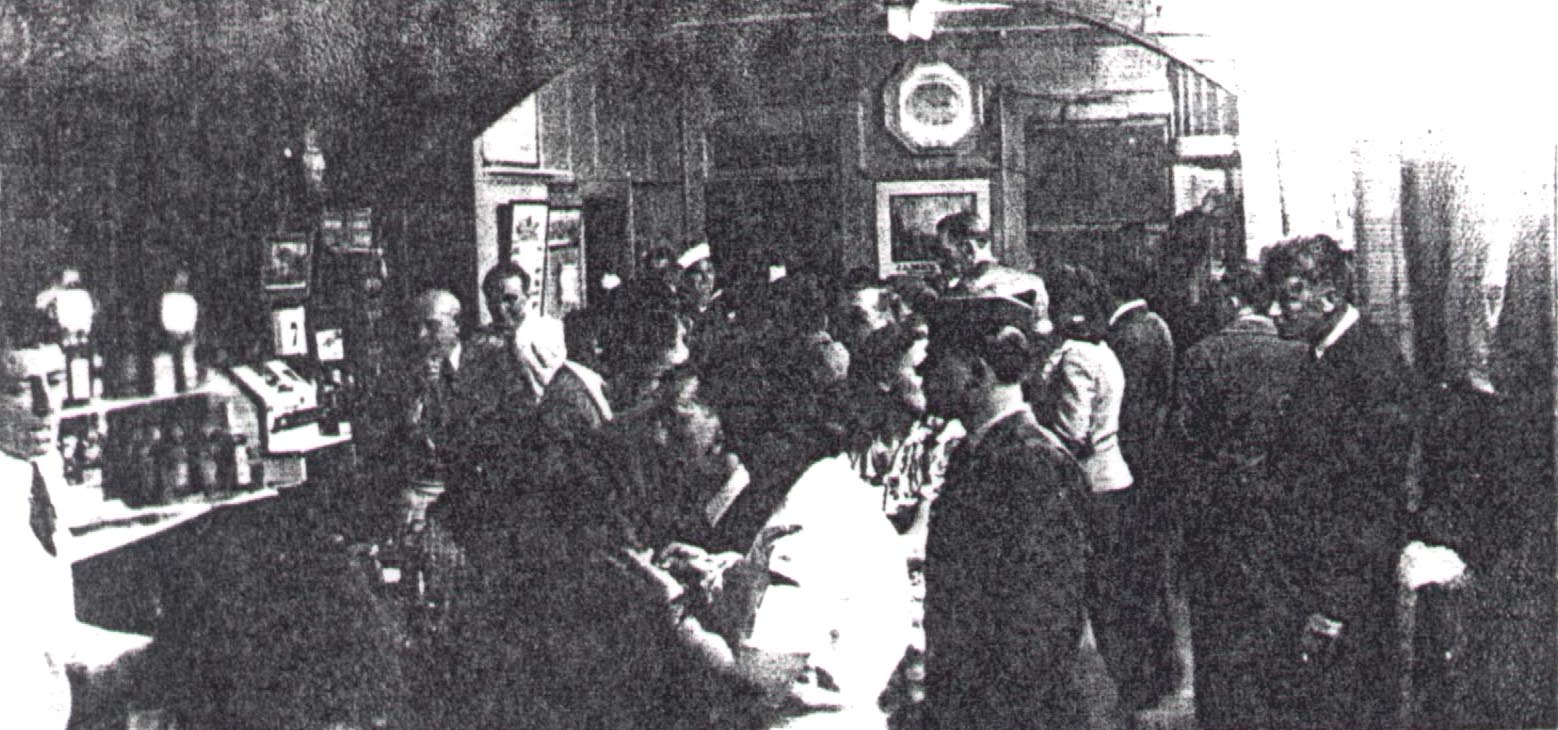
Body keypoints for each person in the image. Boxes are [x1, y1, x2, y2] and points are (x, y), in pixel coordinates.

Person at [695, 323, 914, 728]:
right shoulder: (826, 492)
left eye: (741, 432)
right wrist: (723, 573)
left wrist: (675, 614)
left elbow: (759, 680)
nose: (734, 449)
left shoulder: (815, 516)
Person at [917, 289, 1091, 729]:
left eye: (936, 360)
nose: (922, 370)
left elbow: (1040, 628)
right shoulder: (978, 452)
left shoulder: (1031, 464)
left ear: (978, 373)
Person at [1261, 234, 1415, 727]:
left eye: (1288, 297)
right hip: (1317, 587)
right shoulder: (1326, 353)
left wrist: (1334, 607)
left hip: (1347, 599)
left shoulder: (1370, 366)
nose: (1274, 311)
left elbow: (1370, 502)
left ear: (1329, 296)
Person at [0, 304, 152, 728]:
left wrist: (145, 654)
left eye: (54, 381)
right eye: (20, 388)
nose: (46, 405)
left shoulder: (39, 466)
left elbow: (53, 632)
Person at [1171, 260, 1308, 729]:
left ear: (1232, 301)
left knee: (1220, 636)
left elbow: (1185, 444)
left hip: (1219, 520)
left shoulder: (1203, 356)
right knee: (1278, 632)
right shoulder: (1300, 355)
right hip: (1282, 516)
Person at [1101, 232, 1182, 711]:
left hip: (1134, 468)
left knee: (1133, 577)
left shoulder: (1128, 336)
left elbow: (1126, 412)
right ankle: (1164, 668)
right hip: (1155, 464)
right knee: (1151, 574)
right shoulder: (1155, 324)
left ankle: (1147, 678)